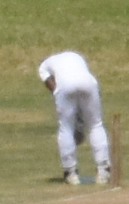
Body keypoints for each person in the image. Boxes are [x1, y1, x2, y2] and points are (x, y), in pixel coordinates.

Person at [36, 48, 117, 186]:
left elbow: (49, 81)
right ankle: (103, 170)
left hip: (66, 85)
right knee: (95, 124)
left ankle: (71, 172)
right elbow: (82, 84)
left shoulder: (44, 65)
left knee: (65, 127)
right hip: (88, 83)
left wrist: (57, 93)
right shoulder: (76, 56)